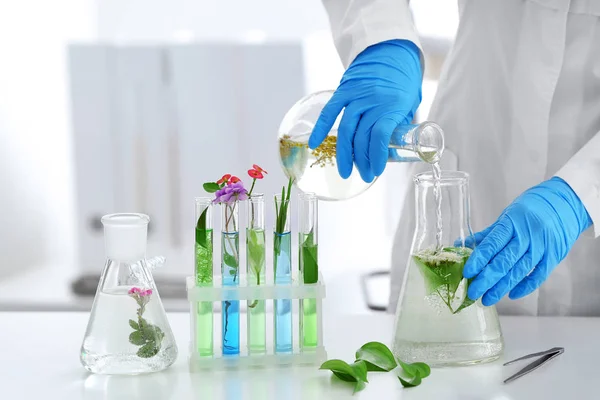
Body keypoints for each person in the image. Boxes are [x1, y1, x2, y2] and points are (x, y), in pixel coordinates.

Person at [310, 0, 600, 316]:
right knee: (431, 352)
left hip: (588, 260)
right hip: (473, 139)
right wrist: (381, 37)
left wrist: (582, 192)